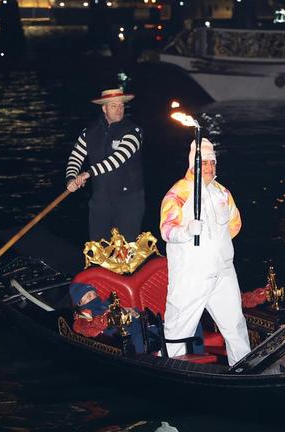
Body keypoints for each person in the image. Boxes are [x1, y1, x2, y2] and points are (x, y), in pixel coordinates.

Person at [159, 138, 251, 365]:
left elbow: (235, 223)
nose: (209, 168)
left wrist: (215, 247)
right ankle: (171, 371)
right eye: (205, 163)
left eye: (212, 163)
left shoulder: (223, 192)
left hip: (222, 271)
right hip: (192, 273)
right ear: (193, 165)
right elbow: (167, 230)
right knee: (178, 327)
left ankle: (243, 369)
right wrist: (187, 232)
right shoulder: (178, 192)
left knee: (235, 325)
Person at [65, 88, 145, 242]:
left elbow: (117, 159)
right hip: (101, 200)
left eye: (121, 105)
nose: (119, 109)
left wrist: (87, 173)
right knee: (98, 249)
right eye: (114, 106)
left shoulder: (134, 132)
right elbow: (76, 157)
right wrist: (71, 177)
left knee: (125, 251)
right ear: (104, 108)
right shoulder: (89, 132)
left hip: (129, 202)